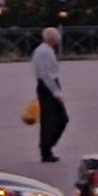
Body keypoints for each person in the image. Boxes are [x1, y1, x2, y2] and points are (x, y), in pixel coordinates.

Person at [30, 27, 68, 162]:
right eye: (57, 36)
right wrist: (57, 93)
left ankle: (47, 148)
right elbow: (47, 75)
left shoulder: (46, 50)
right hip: (47, 86)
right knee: (54, 119)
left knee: (56, 119)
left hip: (48, 85)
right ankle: (46, 149)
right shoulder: (44, 52)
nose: (59, 39)